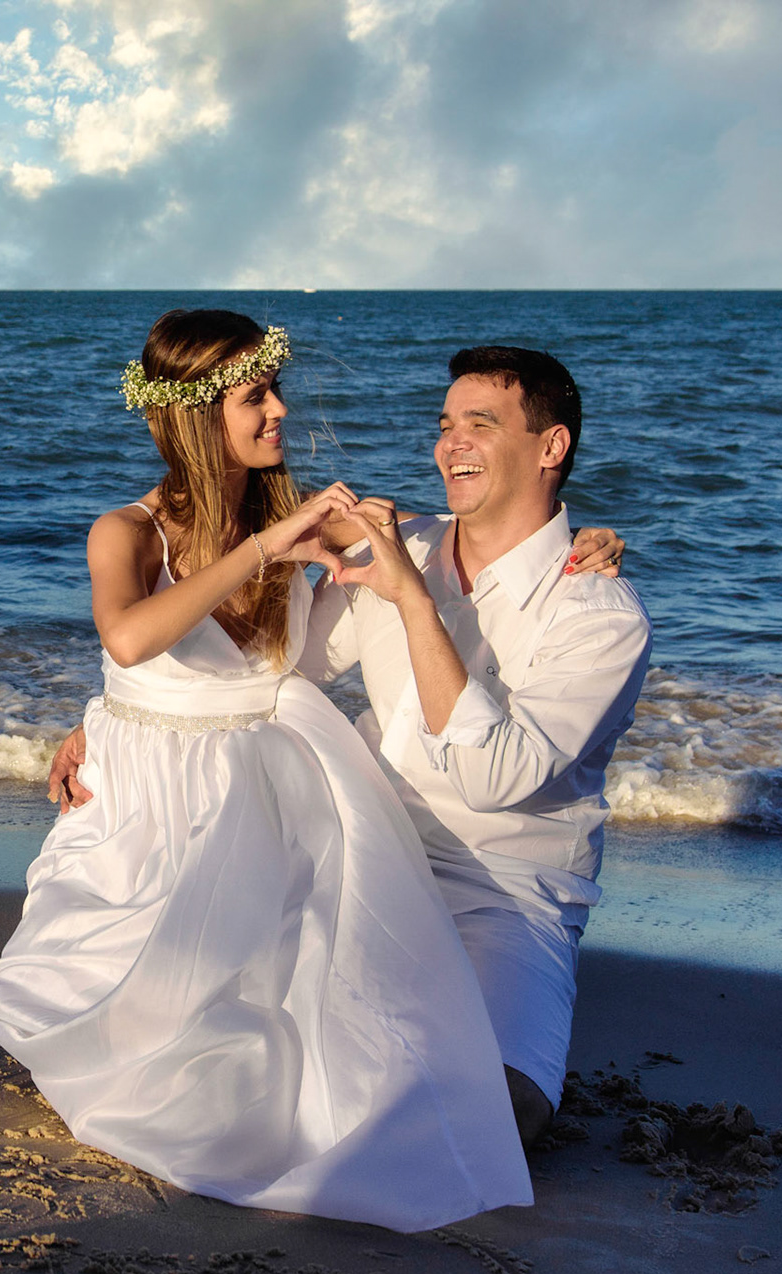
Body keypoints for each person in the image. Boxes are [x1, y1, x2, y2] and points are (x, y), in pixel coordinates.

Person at [0, 309, 547, 1235]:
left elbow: (470, 532)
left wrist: (585, 542)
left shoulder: (301, 525)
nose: (280, 411)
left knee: (302, 1025)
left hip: (263, 780)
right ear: (199, 416)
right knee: (126, 1015)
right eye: (256, 397)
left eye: (275, 390)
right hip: (150, 796)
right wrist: (261, 553)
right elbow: (129, 639)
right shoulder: (124, 532)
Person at [54, 345, 649, 1149]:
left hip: (506, 888)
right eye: (445, 426)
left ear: (551, 448)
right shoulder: (398, 541)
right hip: (361, 849)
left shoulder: (598, 614)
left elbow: (493, 776)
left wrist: (412, 602)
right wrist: (113, 716)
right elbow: (264, 670)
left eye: (481, 424)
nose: (452, 445)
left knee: (495, 1116)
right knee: (220, 1051)